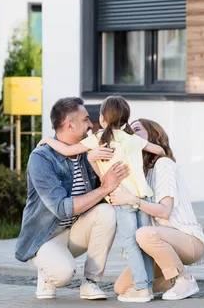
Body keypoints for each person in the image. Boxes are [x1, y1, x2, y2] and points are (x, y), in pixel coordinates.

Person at [40, 96, 165, 303]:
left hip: (122, 198)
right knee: (144, 243)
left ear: (104, 119)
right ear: (125, 119)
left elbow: (68, 150)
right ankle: (148, 286)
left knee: (131, 243)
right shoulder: (132, 139)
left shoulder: (99, 139)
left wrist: (47, 141)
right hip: (144, 195)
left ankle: (141, 288)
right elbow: (159, 150)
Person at [14, 97, 129, 301]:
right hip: (45, 237)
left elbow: (105, 196)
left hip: (74, 231)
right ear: (71, 124)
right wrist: (105, 188)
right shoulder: (42, 158)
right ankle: (47, 269)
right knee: (63, 274)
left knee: (106, 213)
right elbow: (61, 208)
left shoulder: (87, 154)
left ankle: (90, 283)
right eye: (86, 119)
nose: (90, 125)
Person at [110, 119, 204, 301]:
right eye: (130, 130)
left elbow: (164, 211)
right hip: (157, 244)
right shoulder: (141, 174)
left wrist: (133, 200)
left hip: (187, 239)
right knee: (121, 287)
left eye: (137, 129)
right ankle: (170, 280)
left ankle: (184, 279)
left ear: (153, 135)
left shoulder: (163, 164)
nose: (131, 133)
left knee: (144, 234)